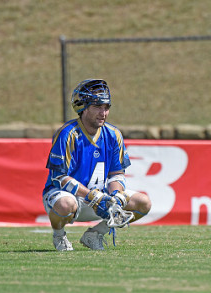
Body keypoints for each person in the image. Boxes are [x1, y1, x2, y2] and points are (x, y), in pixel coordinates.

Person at [42, 79, 151, 251]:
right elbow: (59, 177)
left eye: (106, 107)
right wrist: (92, 196)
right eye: (97, 107)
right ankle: (59, 236)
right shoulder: (67, 134)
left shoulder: (113, 134)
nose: (103, 113)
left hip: (100, 198)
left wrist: (116, 195)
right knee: (65, 205)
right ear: (83, 107)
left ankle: (95, 234)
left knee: (143, 202)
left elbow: (116, 173)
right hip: (68, 197)